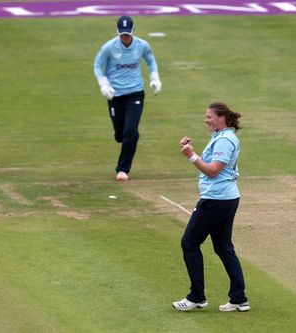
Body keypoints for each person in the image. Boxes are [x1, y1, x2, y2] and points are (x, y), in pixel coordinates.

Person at [172, 102, 250, 312]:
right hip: (226, 198)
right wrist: (191, 149)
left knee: (189, 243)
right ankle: (239, 298)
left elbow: (213, 170)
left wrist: (191, 156)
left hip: (216, 200)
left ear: (221, 118)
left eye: (209, 117)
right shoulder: (222, 136)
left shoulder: (225, 140)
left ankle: (196, 296)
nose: (205, 120)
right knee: (223, 246)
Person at [93, 16, 162, 181]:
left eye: (127, 34)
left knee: (130, 131)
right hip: (115, 95)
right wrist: (103, 84)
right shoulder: (109, 47)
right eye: (122, 34)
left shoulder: (142, 45)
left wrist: (155, 77)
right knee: (121, 134)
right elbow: (97, 65)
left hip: (135, 93)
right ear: (118, 33)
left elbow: (151, 61)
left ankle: (123, 169)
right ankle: (127, 136)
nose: (125, 37)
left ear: (133, 32)